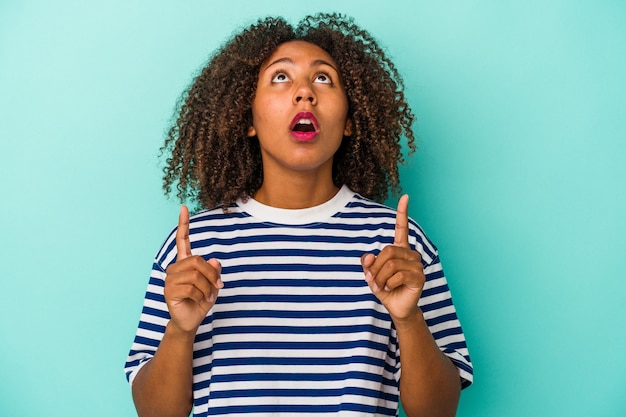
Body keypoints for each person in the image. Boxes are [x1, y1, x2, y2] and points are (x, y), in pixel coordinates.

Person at [124, 13, 472, 417]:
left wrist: (409, 320)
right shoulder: (193, 249)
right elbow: (153, 412)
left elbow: (439, 410)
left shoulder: (398, 246)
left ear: (349, 123)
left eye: (323, 79)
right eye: (280, 78)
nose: (305, 92)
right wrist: (181, 332)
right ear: (246, 118)